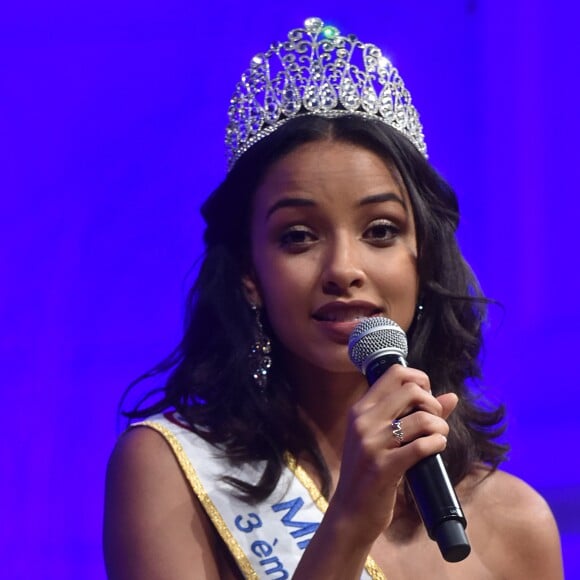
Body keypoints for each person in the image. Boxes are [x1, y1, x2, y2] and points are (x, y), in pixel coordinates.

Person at [103, 17, 563, 579]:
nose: (344, 269)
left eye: (381, 231)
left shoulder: (517, 522)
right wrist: (348, 520)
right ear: (251, 272)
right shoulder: (168, 471)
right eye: (298, 236)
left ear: (423, 258)